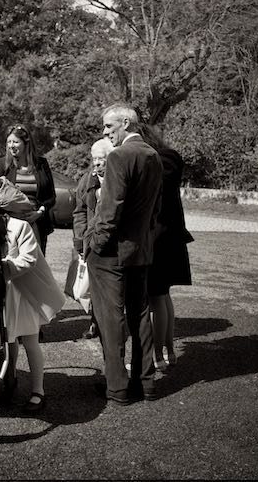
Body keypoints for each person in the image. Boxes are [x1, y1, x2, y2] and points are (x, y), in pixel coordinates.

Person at [84, 103, 162, 406]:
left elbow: (110, 209)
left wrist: (95, 245)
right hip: (140, 250)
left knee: (110, 318)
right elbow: (156, 208)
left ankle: (117, 388)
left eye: (108, 126)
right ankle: (147, 383)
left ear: (126, 123)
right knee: (140, 314)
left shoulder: (119, 156)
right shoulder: (153, 155)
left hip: (112, 252)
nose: (105, 132)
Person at [0, 204, 64, 413]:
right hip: (4, 293)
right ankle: (8, 380)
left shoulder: (21, 227)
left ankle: (38, 391)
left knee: (30, 341)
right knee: (7, 340)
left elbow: (29, 259)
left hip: (26, 292)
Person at [140, 124, 193, 369]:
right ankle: (168, 352)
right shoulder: (166, 157)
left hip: (161, 239)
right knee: (162, 297)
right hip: (164, 238)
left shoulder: (165, 158)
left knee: (156, 298)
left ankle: (156, 355)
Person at [72, 137, 115, 341]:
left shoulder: (117, 179)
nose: (97, 163)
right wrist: (80, 239)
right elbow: (79, 212)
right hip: (90, 241)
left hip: (111, 244)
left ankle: (111, 326)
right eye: (94, 159)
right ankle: (94, 322)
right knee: (91, 288)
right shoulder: (87, 179)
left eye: (101, 159)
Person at [0, 124, 57, 254]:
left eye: (15, 142)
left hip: (37, 225)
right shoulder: (2, 165)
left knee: (36, 265)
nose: (11, 146)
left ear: (26, 143)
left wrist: (39, 212)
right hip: (11, 227)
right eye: (9, 142)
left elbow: (51, 197)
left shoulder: (41, 164)